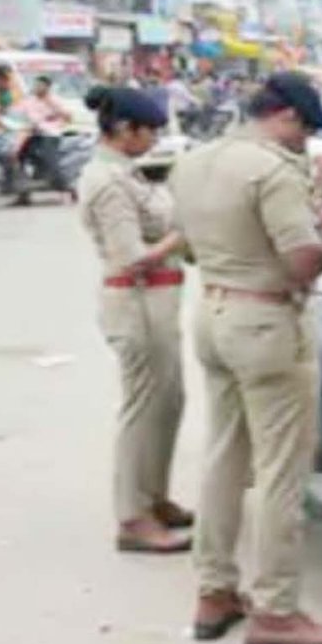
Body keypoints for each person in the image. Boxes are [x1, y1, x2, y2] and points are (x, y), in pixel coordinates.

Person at [169, 71, 322, 644]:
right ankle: (276, 610)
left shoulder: (193, 162)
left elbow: (187, 248)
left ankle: (214, 590)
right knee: (281, 472)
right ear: (288, 116)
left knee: (224, 458)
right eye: (304, 132)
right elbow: (302, 262)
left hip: (213, 309)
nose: (303, 144)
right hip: (268, 321)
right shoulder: (272, 170)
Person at [75, 87, 193, 554]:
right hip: (135, 300)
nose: (155, 141)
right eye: (151, 132)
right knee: (144, 407)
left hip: (159, 299)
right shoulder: (107, 181)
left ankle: (154, 496)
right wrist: (182, 236)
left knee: (169, 402)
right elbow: (131, 257)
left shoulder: (129, 172)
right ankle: (132, 515)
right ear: (126, 130)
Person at [12, 75, 74, 190]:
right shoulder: (29, 100)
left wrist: (55, 111)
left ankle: (64, 186)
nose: (37, 87)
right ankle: (23, 185)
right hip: (31, 133)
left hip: (49, 133)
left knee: (49, 159)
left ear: (47, 87)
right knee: (16, 154)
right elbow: (16, 112)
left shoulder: (54, 100)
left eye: (40, 85)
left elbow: (68, 117)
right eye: (36, 85)